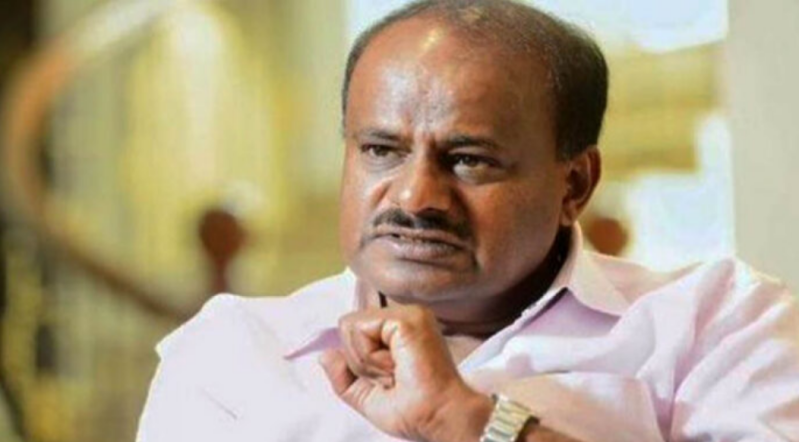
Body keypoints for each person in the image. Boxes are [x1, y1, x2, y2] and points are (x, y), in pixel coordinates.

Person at [136, 1, 799, 441]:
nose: (415, 196)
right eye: (381, 150)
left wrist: (467, 422)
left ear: (574, 184)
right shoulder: (231, 352)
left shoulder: (718, 323)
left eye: (469, 160)